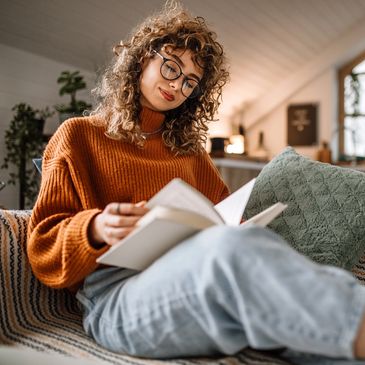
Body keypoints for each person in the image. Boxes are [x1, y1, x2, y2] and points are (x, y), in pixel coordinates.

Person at [27, 2, 365, 364]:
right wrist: (95, 228)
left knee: (299, 321)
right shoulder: (78, 136)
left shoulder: (190, 153)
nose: (177, 85)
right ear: (143, 58)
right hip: (115, 296)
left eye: (190, 82)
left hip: (196, 280)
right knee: (235, 256)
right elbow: (42, 246)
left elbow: (224, 221)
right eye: (171, 67)